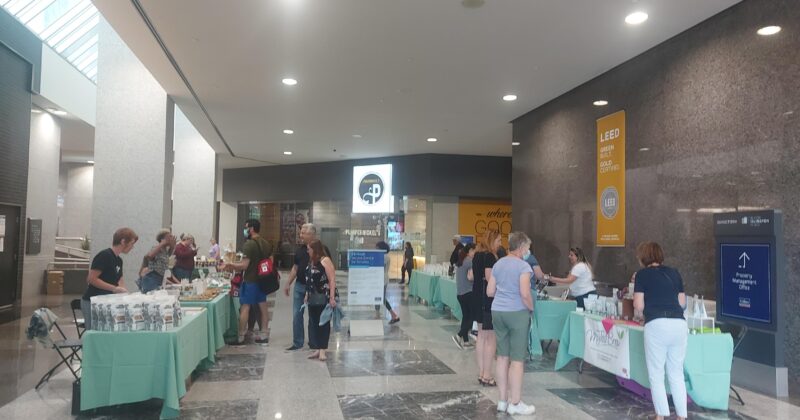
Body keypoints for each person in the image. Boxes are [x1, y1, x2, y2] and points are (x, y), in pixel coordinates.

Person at [633, 242, 688, 420]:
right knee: (676, 372)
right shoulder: (674, 273)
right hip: (679, 324)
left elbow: (638, 305)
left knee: (657, 373)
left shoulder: (642, 275)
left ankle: (661, 416)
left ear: (643, 257)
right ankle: (682, 416)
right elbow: (682, 303)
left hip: (657, 324)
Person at [487, 232, 536, 415]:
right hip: (517, 313)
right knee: (516, 360)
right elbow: (525, 293)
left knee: (502, 357)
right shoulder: (523, 266)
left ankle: (502, 401)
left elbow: (490, 291)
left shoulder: (498, 263)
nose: (528, 251)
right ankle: (515, 402)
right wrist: (531, 308)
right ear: (522, 247)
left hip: (497, 312)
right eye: (527, 248)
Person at [220, 219, 272, 345]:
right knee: (263, 307)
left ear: (252, 229)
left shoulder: (249, 244)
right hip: (263, 280)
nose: (245, 230)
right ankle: (264, 333)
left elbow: (244, 265)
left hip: (250, 280)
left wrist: (230, 265)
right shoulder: (266, 243)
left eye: (246, 227)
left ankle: (241, 336)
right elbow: (271, 261)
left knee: (245, 307)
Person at [80, 228, 138, 329]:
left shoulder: (119, 260)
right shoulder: (104, 255)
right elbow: (91, 279)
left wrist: (126, 295)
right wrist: (114, 289)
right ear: (123, 241)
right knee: (94, 333)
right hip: (92, 302)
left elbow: (120, 280)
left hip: (106, 303)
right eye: (132, 243)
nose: (133, 247)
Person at [284, 223, 329, 351]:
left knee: (313, 316)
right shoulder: (300, 250)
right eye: (301, 232)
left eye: (303, 233)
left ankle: (314, 343)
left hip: (315, 288)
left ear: (312, 234)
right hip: (299, 286)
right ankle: (297, 342)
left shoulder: (322, 249)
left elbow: (329, 268)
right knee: (297, 315)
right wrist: (288, 283)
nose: (301, 235)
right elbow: (295, 267)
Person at [473, 229, 502, 387]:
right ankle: (487, 374)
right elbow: (490, 278)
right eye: (498, 240)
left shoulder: (477, 255)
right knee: (491, 338)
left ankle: (481, 372)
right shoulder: (489, 256)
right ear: (491, 240)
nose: (500, 244)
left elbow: (471, 276)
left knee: (481, 337)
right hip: (488, 300)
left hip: (477, 297)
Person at [305, 239, 337, 361]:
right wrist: (306, 294)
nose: (307, 251)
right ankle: (318, 348)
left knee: (323, 323)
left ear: (315, 249)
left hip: (324, 297)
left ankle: (323, 349)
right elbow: (309, 279)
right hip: (312, 297)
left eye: (309, 249)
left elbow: (332, 279)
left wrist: (332, 297)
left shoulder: (325, 261)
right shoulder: (311, 261)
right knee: (314, 323)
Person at [453, 243, 476, 349]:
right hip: (468, 292)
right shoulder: (469, 262)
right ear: (470, 250)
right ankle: (459, 335)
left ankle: (466, 341)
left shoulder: (461, 261)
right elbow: (471, 277)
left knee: (466, 317)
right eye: (474, 251)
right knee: (471, 317)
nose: (475, 253)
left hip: (460, 293)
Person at [139, 229, 178, 293]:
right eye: (169, 237)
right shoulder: (156, 248)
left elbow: (168, 255)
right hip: (151, 279)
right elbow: (149, 256)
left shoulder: (165, 250)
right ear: (162, 239)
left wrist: (172, 246)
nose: (171, 238)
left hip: (159, 279)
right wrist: (162, 244)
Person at [376, 241, 400, 324]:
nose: (376, 249)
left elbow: (379, 265)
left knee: (382, 298)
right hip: (380, 278)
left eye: (377, 248)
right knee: (377, 296)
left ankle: (393, 314)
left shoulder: (385, 257)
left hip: (383, 279)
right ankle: (377, 314)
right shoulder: (382, 256)